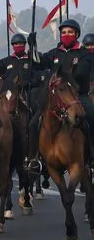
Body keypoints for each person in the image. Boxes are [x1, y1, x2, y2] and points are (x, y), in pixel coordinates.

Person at [27, 19, 94, 159]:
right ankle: (33, 158)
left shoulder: (84, 53)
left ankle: (91, 155)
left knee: (91, 116)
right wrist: (32, 47)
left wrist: (64, 76)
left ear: (76, 34)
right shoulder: (55, 53)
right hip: (55, 97)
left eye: (70, 32)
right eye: (63, 32)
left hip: (76, 96)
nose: (66, 34)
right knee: (33, 122)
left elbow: (81, 72)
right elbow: (38, 62)